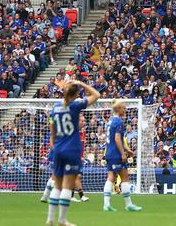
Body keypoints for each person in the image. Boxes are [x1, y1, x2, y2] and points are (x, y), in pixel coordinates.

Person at [47, 78, 101, 226]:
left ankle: (50, 219)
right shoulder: (76, 105)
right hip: (72, 149)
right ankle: (62, 220)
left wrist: (54, 147)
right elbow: (96, 95)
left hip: (57, 148)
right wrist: (81, 83)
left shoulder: (55, 108)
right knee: (67, 186)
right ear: (76, 94)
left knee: (57, 185)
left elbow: (52, 132)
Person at [102, 100, 142, 212]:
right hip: (116, 154)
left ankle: (107, 204)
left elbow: (116, 140)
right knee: (123, 177)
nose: (125, 110)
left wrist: (127, 149)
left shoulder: (110, 121)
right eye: (124, 108)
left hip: (109, 152)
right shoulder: (119, 122)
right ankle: (128, 204)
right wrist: (122, 153)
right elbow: (117, 139)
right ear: (118, 109)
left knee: (112, 177)